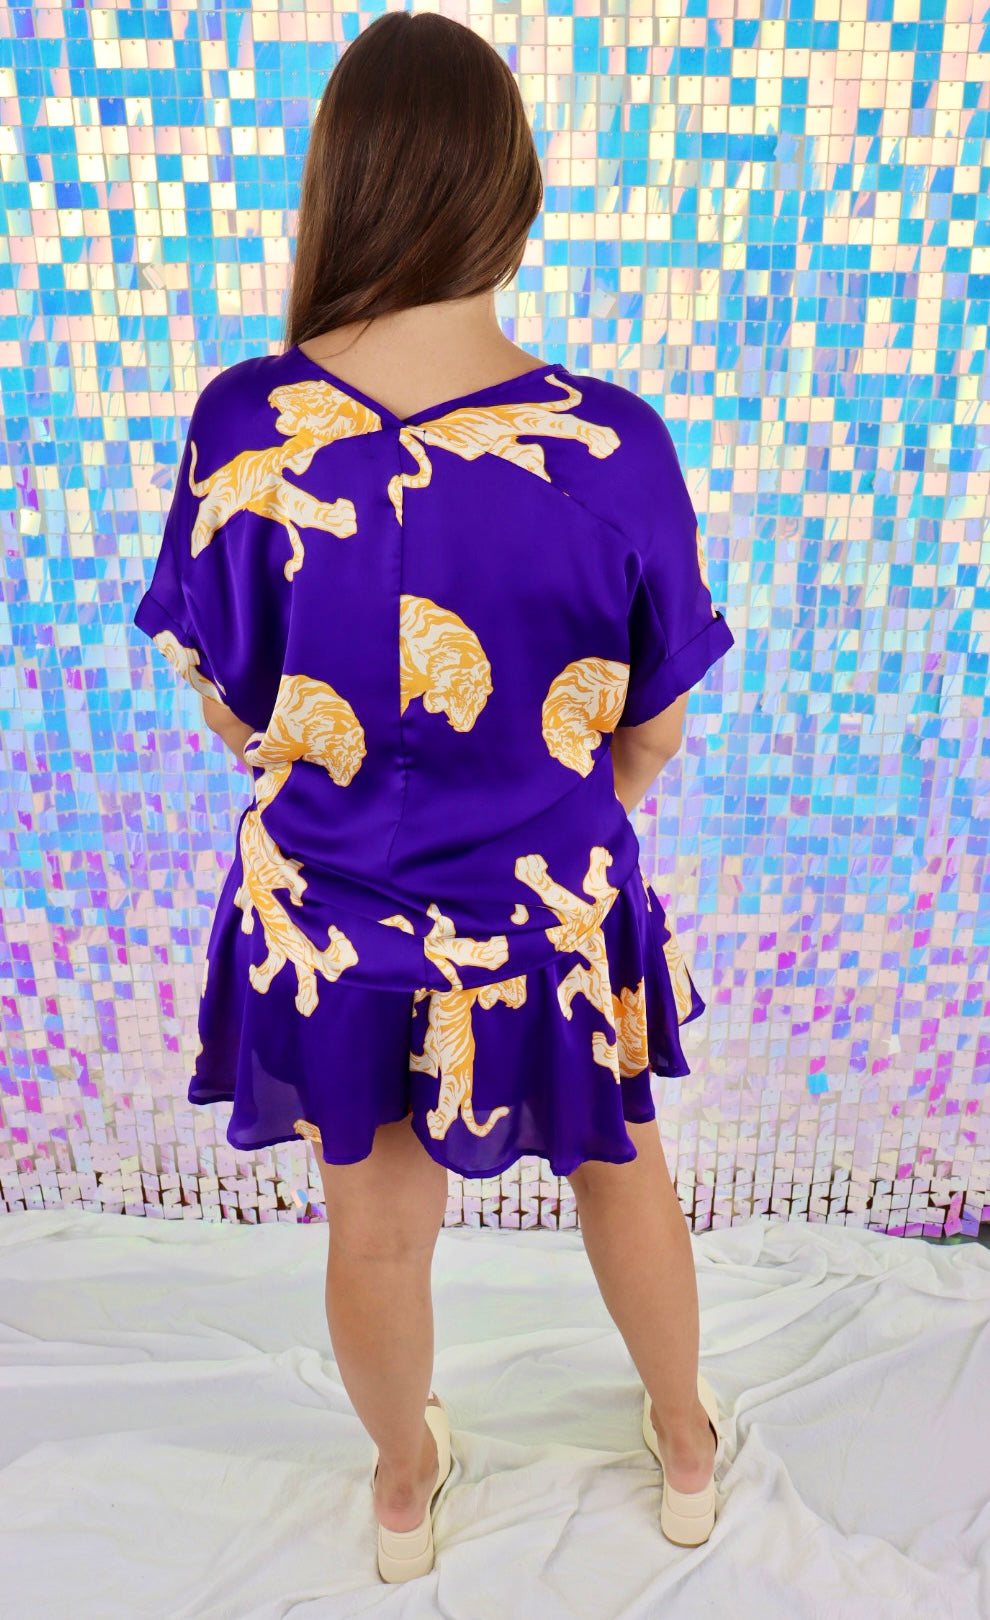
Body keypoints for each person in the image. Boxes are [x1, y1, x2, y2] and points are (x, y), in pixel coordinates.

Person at [133, 11, 733, 1584]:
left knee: (377, 1230)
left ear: (338, 186)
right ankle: (684, 1449)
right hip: (550, 906)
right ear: (511, 194)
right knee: (621, 1167)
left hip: (332, 916)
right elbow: (655, 726)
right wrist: (558, 807)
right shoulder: (609, 443)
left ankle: (402, 1493)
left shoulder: (244, 426)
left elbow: (234, 706)